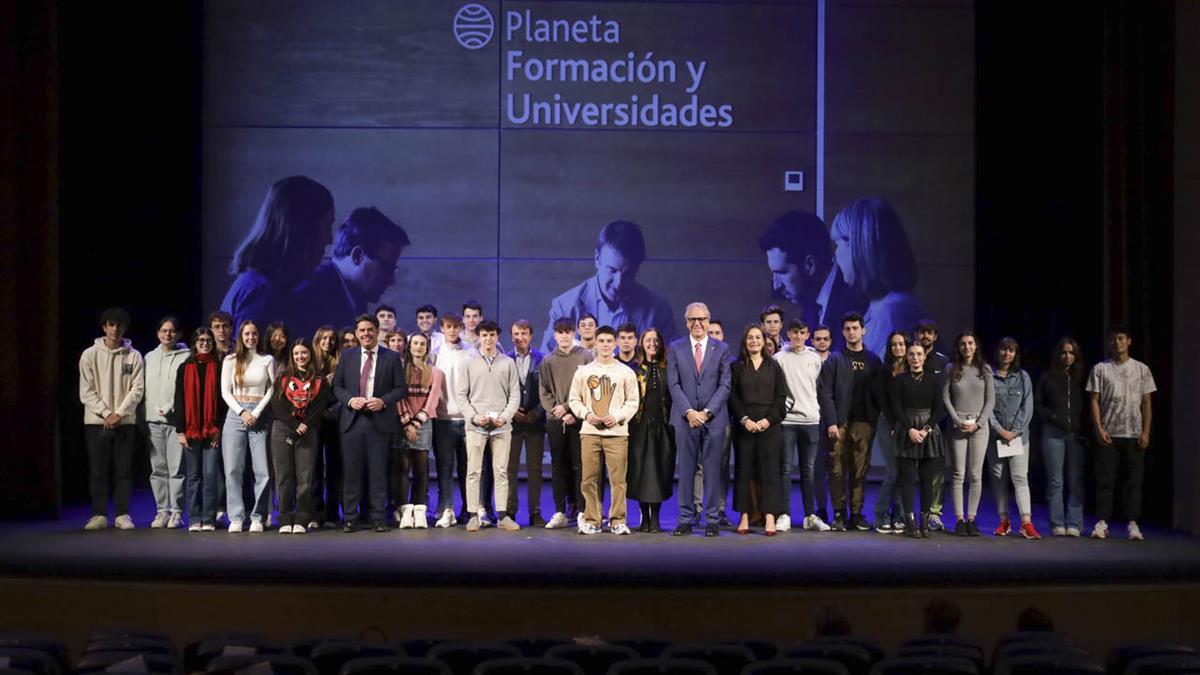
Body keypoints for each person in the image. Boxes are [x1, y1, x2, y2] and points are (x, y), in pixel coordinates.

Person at [541, 220, 677, 352]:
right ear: (597, 259)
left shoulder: (659, 311)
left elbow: (673, 365)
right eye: (612, 270)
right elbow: (546, 369)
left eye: (628, 273)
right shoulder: (564, 308)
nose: (618, 284)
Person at [220, 176, 335, 332]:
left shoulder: (262, 287)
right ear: (303, 231)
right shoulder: (262, 293)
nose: (329, 240)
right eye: (327, 227)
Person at [288, 206, 411, 341]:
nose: (391, 280)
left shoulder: (350, 298)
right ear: (357, 255)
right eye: (386, 268)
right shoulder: (310, 299)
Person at [333, 314, 407, 532]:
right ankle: (350, 517)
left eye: (369, 330)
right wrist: (350, 400)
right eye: (362, 330)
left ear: (377, 332)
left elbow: (401, 389)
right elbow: (337, 387)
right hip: (352, 422)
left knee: (378, 473)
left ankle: (377, 517)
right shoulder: (347, 357)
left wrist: (383, 401)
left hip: (379, 422)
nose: (366, 334)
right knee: (351, 473)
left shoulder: (391, 357)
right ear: (357, 333)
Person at [666, 302, 732, 537]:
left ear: (708, 320)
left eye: (701, 319)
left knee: (713, 471)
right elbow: (673, 383)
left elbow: (725, 385)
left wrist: (706, 413)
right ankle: (685, 518)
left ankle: (712, 519)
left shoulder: (721, 348)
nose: (697, 323)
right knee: (685, 470)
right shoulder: (675, 348)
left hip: (713, 420)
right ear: (686, 322)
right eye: (693, 319)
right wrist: (689, 412)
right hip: (685, 420)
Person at [830, 198, 925, 356]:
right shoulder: (878, 308)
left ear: (863, 246)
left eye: (841, 243)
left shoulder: (895, 311)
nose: (836, 254)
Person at [569, 326, 641, 535]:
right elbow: (574, 399)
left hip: (617, 433)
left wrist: (617, 416)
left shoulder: (625, 372)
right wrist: (586, 414)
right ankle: (592, 519)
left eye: (610, 341)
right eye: (602, 341)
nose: (606, 345)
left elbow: (633, 402)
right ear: (596, 343)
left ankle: (618, 520)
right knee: (589, 479)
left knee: (618, 480)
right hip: (590, 432)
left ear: (615, 343)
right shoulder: (584, 371)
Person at [1086, 326, 1156, 541]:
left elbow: (1146, 402)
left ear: (1129, 341)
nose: (1117, 343)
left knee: (1133, 481)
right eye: (1113, 339)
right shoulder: (1100, 369)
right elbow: (1094, 400)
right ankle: (1102, 522)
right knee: (1105, 480)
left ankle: (1132, 523)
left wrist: (1146, 431)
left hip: (1133, 433)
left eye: (1121, 338)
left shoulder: (1141, 369)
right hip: (1109, 433)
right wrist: (1098, 428)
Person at [759, 210, 865, 350]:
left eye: (782, 272)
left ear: (810, 265)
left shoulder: (855, 302)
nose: (776, 285)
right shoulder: (811, 304)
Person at [817, 312, 884, 531]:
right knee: (836, 469)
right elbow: (825, 392)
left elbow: (880, 392)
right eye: (847, 328)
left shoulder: (874, 360)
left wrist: (876, 417)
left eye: (855, 328)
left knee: (859, 471)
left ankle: (856, 514)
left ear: (863, 330)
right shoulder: (835, 359)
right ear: (843, 332)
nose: (852, 332)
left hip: (865, 423)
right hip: (840, 422)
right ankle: (838, 513)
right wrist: (831, 421)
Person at [79, 307, 145, 530]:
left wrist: (119, 413)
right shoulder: (89, 355)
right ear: (104, 327)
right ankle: (98, 514)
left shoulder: (134, 355)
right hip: (97, 422)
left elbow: (137, 389)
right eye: (111, 324)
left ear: (124, 328)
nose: (115, 329)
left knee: (123, 470)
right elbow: (86, 391)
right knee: (98, 470)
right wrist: (107, 413)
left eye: (119, 325)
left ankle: (122, 514)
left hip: (125, 422)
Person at [454, 320, 522, 532]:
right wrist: (474, 417)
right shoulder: (468, 362)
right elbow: (461, 395)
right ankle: (474, 514)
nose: (488, 339)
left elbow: (515, 394)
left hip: (501, 426)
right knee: (473, 471)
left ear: (497, 337)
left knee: (501, 471)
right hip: (476, 426)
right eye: (484, 335)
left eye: (492, 335)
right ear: (479, 337)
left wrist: (505, 416)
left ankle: (502, 516)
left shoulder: (507, 363)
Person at [730, 324, 789, 536]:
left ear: (764, 341)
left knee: (769, 471)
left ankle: (770, 516)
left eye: (757, 337)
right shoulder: (736, 367)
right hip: (744, 426)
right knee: (743, 471)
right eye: (750, 338)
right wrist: (744, 419)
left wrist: (768, 420)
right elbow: (732, 397)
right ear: (745, 342)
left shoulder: (774, 367)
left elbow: (781, 398)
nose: (754, 341)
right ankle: (744, 515)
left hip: (769, 426)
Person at [269, 338, 333, 534]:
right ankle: (285, 517)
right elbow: (277, 405)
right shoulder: (283, 378)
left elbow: (320, 406)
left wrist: (305, 424)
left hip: (308, 430)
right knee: (283, 476)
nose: (300, 357)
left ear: (310, 355)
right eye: (296, 353)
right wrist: (294, 424)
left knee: (305, 477)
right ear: (292, 356)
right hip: (283, 429)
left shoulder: (320, 380)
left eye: (304, 353)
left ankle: (302, 518)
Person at [220, 320, 275, 533]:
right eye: (246, 334)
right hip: (236, 415)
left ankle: (258, 517)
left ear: (258, 336)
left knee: (262, 471)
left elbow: (271, 389)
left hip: (259, 416)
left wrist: (256, 412)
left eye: (254, 334)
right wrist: (242, 412)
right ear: (241, 336)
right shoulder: (231, 360)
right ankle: (236, 516)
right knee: (233, 469)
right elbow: (225, 391)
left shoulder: (267, 359)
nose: (250, 337)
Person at [538, 319, 594, 529]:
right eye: (560, 333)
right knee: (558, 466)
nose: (564, 336)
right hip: (556, 420)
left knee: (581, 466)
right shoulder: (548, 360)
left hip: (580, 419)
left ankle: (581, 511)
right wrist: (560, 411)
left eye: (567, 332)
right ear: (555, 335)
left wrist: (570, 408)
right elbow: (544, 391)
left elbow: (590, 387)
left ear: (573, 333)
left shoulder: (585, 356)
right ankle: (560, 511)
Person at [775, 319, 829, 532]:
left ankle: (809, 515)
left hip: (811, 421)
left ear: (807, 334)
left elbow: (817, 388)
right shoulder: (779, 358)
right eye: (794, 332)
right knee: (785, 469)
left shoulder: (814, 358)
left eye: (802, 332)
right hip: (787, 422)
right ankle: (784, 514)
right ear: (789, 333)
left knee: (809, 470)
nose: (798, 336)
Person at [888, 342, 946, 537]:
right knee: (907, 479)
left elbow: (940, 408)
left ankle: (925, 521)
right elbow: (896, 407)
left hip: (929, 431)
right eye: (911, 354)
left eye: (919, 354)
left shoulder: (934, 380)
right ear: (907, 357)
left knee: (927, 480)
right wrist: (909, 429)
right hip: (907, 429)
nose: (915, 357)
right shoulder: (899, 380)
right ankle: (910, 521)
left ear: (924, 357)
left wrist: (926, 429)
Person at [174, 327, 225, 532]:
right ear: (194, 343)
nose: (205, 343)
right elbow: (179, 401)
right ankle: (195, 518)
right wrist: (180, 431)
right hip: (191, 431)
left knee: (211, 474)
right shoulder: (184, 367)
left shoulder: (220, 367)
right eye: (201, 340)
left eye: (208, 340)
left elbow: (222, 402)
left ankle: (209, 518)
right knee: (194, 476)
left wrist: (219, 429)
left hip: (212, 431)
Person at [943, 331, 994, 537]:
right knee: (958, 474)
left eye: (970, 343)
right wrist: (958, 421)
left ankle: (971, 518)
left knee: (975, 474)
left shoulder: (985, 369)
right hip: (958, 426)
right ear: (959, 347)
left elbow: (991, 400)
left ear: (976, 345)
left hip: (979, 428)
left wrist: (978, 424)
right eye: (963, 343)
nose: (967, 347)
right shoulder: (951, 368)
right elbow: (945, 397)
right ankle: (959, 519)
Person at [431, 312, 479, 528]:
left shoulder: (472, 352)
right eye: (448, 326)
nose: (452, 330)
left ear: (461, 328)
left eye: (456, 326)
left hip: (468, 420)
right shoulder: (435, 353)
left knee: (468, 469)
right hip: (443, 419)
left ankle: (471, 510)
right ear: (442, 329)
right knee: (445, 467)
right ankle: (447, 509)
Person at [988, 337, 1039, 539]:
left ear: (1015, 353)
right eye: (1003, 349)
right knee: (999, 480)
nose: (1007, 353)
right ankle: (1004, 521)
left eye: (1011, 350)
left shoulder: (1022, 376)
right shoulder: (989, 376)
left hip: (1018, 438)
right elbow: (986, 407)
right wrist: (1000, 431)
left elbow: (1027, 408)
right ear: (998, 352)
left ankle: (1026, 522)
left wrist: (1014, 431)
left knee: (1020, 478)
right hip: (995, 437)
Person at [1036, 337, 1087, 537]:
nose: (1067, 356)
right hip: (1053, 433)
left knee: (1076, 480)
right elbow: (1039, 404)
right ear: (1058, 355)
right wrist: (1054, 417)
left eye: (1071, 353)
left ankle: (1074, 522)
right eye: (1064, 352)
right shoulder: (1048, 377)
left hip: (1076, 435)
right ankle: (1057, 522)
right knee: (1056, 481)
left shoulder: (1081, 378)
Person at [143, 316, 191, 529]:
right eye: (163, 330)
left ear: (179, 334)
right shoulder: (148, 358)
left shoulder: (186, 356)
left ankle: (177, 512)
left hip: (175, 422)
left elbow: (186, 389)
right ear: (157, 333)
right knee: (158, 469)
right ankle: (162, 511)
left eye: (172, 331)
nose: (167, 335)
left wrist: (171, 406)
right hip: (153, 422)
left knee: (176, 469)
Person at [628, 327, 675, 532]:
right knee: (640, 473)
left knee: (659, 472)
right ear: (642, 343)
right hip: (639, 427)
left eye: (656, 340)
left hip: (663, 428)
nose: (652, 343)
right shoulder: (635, 369)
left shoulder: (669, 368)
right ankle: (644, 518)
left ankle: (655, 517)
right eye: (648, 340)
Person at [395, 333, 443, 529]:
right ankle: (405, 511)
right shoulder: (399, 370)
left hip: (423, 424)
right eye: (415, 343)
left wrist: (415, 424)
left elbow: (432, 402)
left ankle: (419, 509)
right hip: (402, 423)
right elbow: (398, 397)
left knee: (421, 469)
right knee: (403, 468)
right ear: (409, 346)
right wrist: (407, 423)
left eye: (422, 344)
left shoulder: (435, 372)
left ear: (427, 347)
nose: (418, 346)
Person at [505, 320, 546, 526]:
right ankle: (510, 511)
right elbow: (500, 391)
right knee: (510, 469)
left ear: (531, 336)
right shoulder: (506, 359)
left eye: (523, 333)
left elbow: (548, 390)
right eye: (515, 333)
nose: (519, 337)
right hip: (512, 424)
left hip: (535, 422)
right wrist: (512, 412)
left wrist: (537, 412)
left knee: (535, 469)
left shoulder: (542, 359)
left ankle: (535, 512)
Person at [914, 318, 950, 532]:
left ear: (935, 336)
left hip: (937, 424)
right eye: (922, 332)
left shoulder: (944, 363)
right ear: (916, 334)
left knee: (935, 470)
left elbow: (947, 395)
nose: (925, 336)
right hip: (912, 423)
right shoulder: (910, 357)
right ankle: (905, 513)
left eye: (930, 332)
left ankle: (934, 513)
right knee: (908, 471)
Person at [871, 330, 909, 534]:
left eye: (901, 344)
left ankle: (899, 517)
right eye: (894, 344)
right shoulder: (883, 370)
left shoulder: (913, 368)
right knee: (893, 471)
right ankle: (881, 515)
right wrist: (895, 424)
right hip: (887, 424)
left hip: (908, 426)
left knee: (903, 472)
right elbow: (882, 400)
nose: (898, 348)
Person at [311, 325, 342, 528]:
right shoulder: (310, 362)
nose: (327, 342)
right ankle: (315, 513)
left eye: (331, 338)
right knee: (313, 468)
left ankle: (331, 514)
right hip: (313, 420)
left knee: (334, 469)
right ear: (317, 340)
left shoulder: (341, 362)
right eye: (323, 338)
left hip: (335, 420)